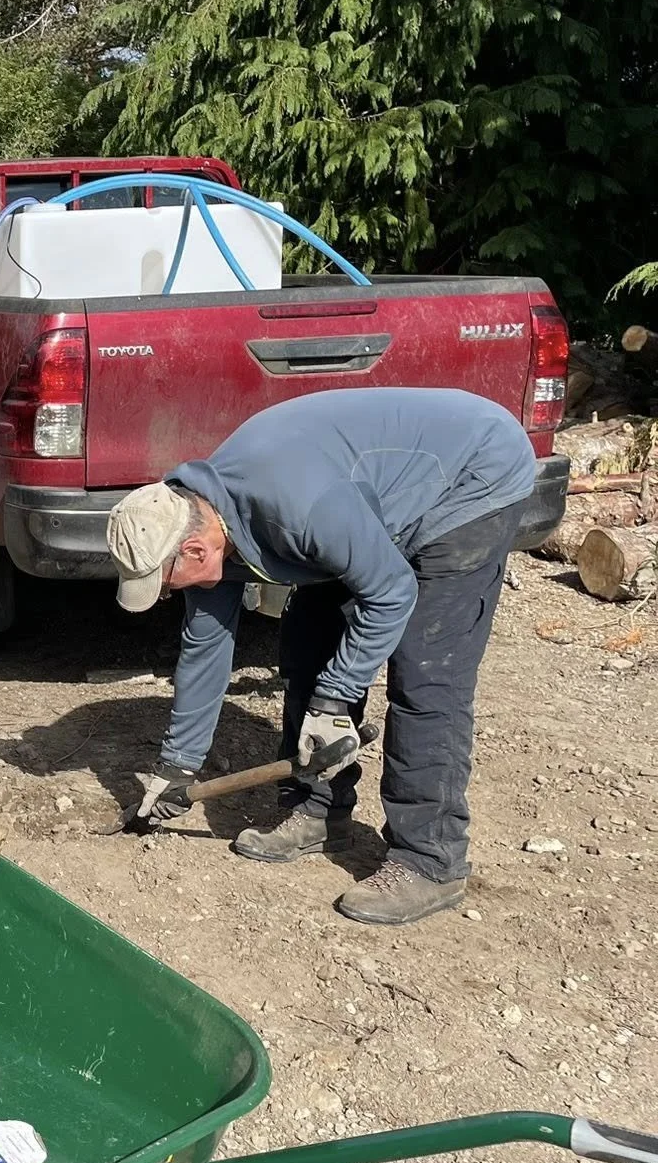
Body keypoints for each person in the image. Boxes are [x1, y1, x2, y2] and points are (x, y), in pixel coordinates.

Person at [108, 387, 539, 926]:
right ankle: (316, 808)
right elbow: (206, 647)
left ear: (193, 551)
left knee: (426, 675)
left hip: (470, 476)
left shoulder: (298, 511)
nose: (165, 594)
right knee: (309, 649)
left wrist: (334, 701)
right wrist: (176, 766)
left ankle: (430, 859)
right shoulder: (198, 514)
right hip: (359, 498)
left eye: (163, 582)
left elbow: (391, 592)